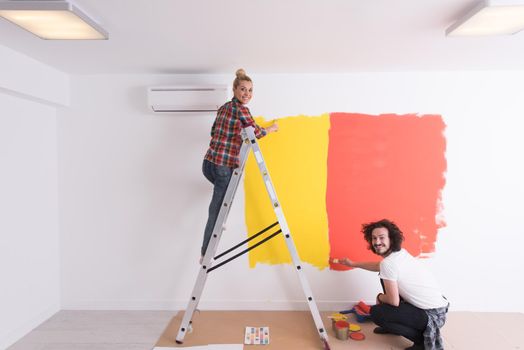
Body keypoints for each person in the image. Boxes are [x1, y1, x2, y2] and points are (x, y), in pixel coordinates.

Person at [330, 219, 449, 350]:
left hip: (431, 316)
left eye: (381, 238)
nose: (376, 242)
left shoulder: (389, 263)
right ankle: (394, 327)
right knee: (384, 278)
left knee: (376, 313)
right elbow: (379, 266)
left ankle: (421, 342)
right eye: (374, 238)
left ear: (391, 239)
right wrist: (353, 264)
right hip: (439, 309)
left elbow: (393, 301)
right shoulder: (399, 255)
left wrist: (380, 297)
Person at [200, 68, 278, 261]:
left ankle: (221, 219)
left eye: (250, 91)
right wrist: (272, 128)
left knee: (224, 197)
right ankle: (205, 253)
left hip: (208, 164)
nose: (247, 94)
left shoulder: (224, 107)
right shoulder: (241, 110)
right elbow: (256, 133)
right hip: (222, 167)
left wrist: (232, 134)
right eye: (243, 89)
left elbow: (213, 131)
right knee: (216, 209)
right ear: (234, 89)